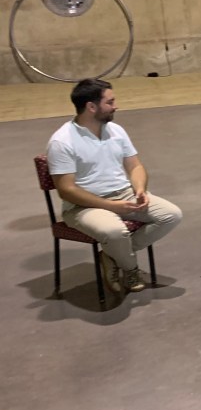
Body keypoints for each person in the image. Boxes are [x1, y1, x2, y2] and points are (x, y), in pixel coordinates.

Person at [46, 78, 183, 294]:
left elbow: (135, 166)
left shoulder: (116, 130)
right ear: (91, 107)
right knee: (114, 231)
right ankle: (130, 268)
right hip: (83, 205)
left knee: (171, 215)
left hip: (124, 193)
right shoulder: (62, 141)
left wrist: (139, 189)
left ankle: (111, 255)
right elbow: (67, 190)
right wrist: (111, 206)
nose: (115, 106)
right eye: (110, 102)